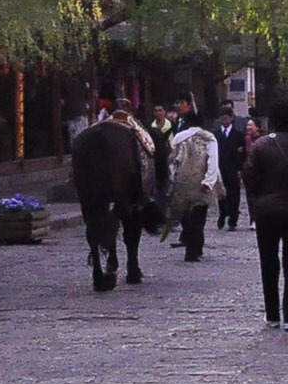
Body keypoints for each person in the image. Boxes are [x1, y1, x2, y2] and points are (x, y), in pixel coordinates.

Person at [241, 99, 288, 327]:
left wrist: (261, 196)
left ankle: (272, 314)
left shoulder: (261, 145)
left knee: (268, 262)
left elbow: (249, 178)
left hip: (267, 210)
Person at [70, 103, 150, 291]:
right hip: (127, 188)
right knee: (132, 214)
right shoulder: (135, 132)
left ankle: (97, 268)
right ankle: (132, 265)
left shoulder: (86, 136)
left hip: (89, 188)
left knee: (92, 214)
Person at [169, 111, 220, 261]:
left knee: (184, 215)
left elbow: (172, 161)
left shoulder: (179, 137)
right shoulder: (209, 138)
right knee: (199, 217)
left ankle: (192, 245)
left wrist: (173, 179)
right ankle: (195, 248)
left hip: (182, 182)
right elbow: (213, 161)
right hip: (200, 181)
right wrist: (209, 181)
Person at [214, 103, 249, 230]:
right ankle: (223, 213)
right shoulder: (216, 135)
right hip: (220, 168)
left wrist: (240, 169)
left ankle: (233, 220)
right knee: (221, 194)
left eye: (227, 118)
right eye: (222, 118)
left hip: (233, 169)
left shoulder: (238, 135)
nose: (225, 121)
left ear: (231, 118)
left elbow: (241, 154)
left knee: (234, 195)